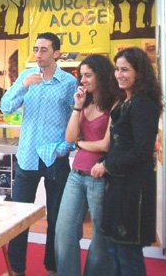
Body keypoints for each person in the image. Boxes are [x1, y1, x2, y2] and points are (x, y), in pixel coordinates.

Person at [0, 32, 77, 276]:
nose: (38, 54)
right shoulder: (26, 77)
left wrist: (64, 148)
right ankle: (16, 269)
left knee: (55, 219)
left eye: (44, 49)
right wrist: (22, 87)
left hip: (55, 158)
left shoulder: (68, 82)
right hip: (27, 156)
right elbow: (5, 107)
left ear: (56, 53)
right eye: (35, 49)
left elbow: (75, 117)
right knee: (19, 218)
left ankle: (52, 268)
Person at [91, 47, 162, 276]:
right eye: (117, 69)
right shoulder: (127, 102)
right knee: (115, 251)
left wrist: (107, 165)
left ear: (139, 73)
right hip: (119, 187)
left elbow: (141, 151)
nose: (119, 74)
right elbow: (122, 146)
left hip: (133, 189)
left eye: (125, 70)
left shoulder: (143, 104)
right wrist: (106, 161)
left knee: (127, 254)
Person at [55, 55, 119, 276]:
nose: (82, 80)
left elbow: (106, 145)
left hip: (99, 176)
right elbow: (69, 136)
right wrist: (77, 106)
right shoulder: (85, 102)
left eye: (88, 75)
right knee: (64, 232)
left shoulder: (115, 104)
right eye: (81, 75)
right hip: (76, 174)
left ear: (102, 75)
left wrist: (81, 143)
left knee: (100, 238)